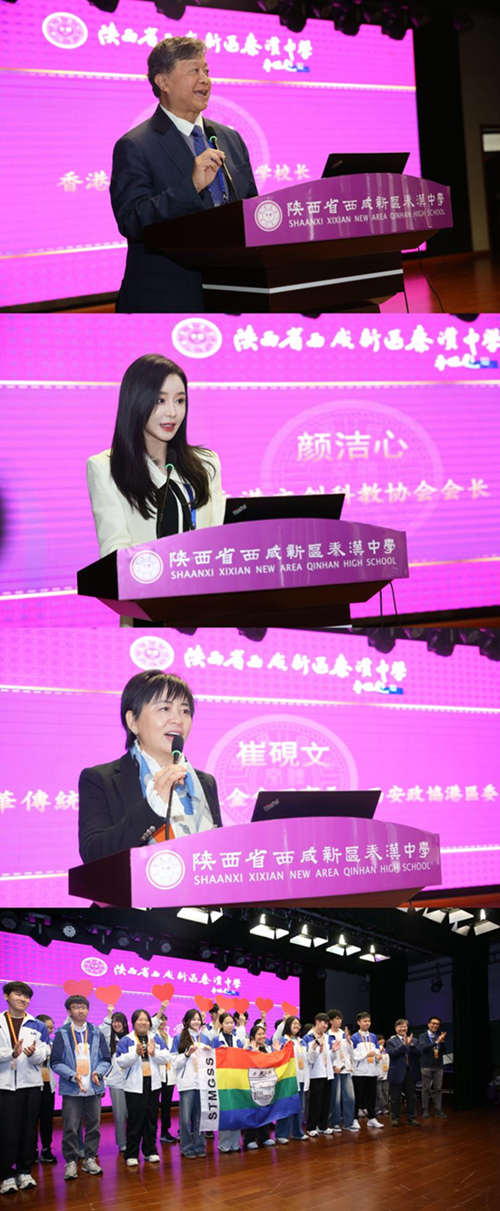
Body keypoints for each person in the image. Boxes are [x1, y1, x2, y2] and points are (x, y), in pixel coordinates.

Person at [110, 36, 258, 312]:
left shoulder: (230, 138)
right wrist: (191, 186)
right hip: (169, 299)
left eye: (206, 70)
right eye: (194, 70)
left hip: (232, 292)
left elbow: (249, 207)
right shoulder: (135, 145)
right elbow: (131, 220)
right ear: (163, 82)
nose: (205, 79)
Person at [86, 353, 226, 562]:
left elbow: (220, 537)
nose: (172, 412)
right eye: (160, 400)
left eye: (179, 400)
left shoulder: (206, 463)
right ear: (136, 401)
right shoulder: (105, 468)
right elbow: (113, 551)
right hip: (144, 581)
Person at [78, 669, 223, 864]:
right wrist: (153, 806)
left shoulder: (205, 782)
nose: (178, 720)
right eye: (165, 709)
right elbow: (94, 854)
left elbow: (219, 850)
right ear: (133, 722)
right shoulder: (100, 779)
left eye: (185, 711)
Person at [51, 995, 111, 1182]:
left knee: (94, 1126)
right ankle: (71, 1161)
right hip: (72, 1089)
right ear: (69, 1011)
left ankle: (90, 1159)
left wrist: (98, 1072)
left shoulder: (96, 1032)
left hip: (93, 1088)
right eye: (76, 1007)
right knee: (70, 1127)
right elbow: (55, 1062)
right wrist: (72, 1075)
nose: (80, 1010)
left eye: (83, 1007)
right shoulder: (62, 1033)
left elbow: (106, 1059)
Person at [0, 981, 50, 1196]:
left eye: (26, 996)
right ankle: (5, 1175)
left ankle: (24, 1171)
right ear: (6, 996)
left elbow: (44, 1052)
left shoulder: (37, 1025)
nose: (23, 999)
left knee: (29, 1130)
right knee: (6, 1131)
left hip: (31, 1084)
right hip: (5, 1086)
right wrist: (11, 1054)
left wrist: (33, 1054)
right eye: (18, 994)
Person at [115, 1009, 167, 1166]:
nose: (143, 1022)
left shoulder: (156, 1038)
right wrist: (135, 1054)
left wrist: (154, 1053)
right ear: (133, 1023)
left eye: (146, 1020)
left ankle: (150, 1151)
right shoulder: (126, 1040)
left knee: (151, 1119)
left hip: (153, 1085)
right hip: (134, 1086)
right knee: (135, 1121)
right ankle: (131, 1154)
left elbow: (166, 1058)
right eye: (140, 1020)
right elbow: (121, 1062)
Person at [170, 1009, 212, 1158]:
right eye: (193, 1019)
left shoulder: (205, 1038)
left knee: (200, 1118)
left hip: (202, 1083)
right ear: (187, 1021)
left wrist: (210, 1052)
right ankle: (187, 1147)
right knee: (185, 1118)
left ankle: (200, 1146)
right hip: (187, 1083)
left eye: (198, 1019)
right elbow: (174, 1062)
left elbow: (210, 1061)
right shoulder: (179, 1038)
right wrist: (187, 1053)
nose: (196, 1022)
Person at [211, 1012, 243, 1153]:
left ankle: (235, 1143)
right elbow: (211, 1058)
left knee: (236, 1111)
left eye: (231, 1023)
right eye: (227, 1023)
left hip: (236, 1080)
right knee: (224, 1112)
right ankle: (224, 1143)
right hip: (222, 1081)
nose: (230, 1025)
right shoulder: (216, 1040)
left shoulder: (238, 1041)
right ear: (221, 1024)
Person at [242, 1024, 278, 1150]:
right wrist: (254, 1052)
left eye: (263, 1034)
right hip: (253, 1085)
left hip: (267, 1085)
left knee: (266, 1110)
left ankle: (264, 1136)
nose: (262, 1036)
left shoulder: (267, 1048)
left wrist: (277, 1052)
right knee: (253, 1112)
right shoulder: (247, 1049)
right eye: (259, 1034)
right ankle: (249, 1139)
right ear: (252, 1037)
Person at [99, 1005, 129, 1152]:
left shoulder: (131, 1038)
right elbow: (102, 1030)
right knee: (119, 1114)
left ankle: (133, 1139)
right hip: (116, 1082)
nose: (116, 1024)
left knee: (132, 1113)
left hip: (132, 1081)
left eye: (119, 1021)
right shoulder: (108, 1038)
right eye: (114, 1022)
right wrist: (109, 1015)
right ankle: (122, 1142)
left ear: (125, 1023)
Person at [274, 1017, 308, 1144]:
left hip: (301, 1077)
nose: (297, 1026)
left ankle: (297, 1132)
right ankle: (281, 1134)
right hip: (288, 1078)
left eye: (298, 1024)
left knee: (299, 1107)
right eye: (294, 1024)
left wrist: (315, 1049)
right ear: (288, 1025)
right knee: (286, 1106)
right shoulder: (282, 1040)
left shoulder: (301, 1041)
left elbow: (307, 1059)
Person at [351, 1012, 384, 1129]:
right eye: (365, 1021)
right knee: (357, 1097)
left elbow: (376, 1051)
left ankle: (372, 1118)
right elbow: (353, 1055)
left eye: (369, 1021)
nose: (367, 1023)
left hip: (372, 1071)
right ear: (358, 1022)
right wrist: (366, 1055)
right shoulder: (354, 1037)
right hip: (359, 1072)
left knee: (371, 1096)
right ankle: (354, 1119)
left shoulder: (373, 1037)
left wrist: (378, 1056)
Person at [386, 1020, 422, 1127]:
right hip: (396, 1073)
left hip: (410, 1072)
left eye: (404, 1027)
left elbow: (420, 1053)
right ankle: (395, 1118)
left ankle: (411, 1118)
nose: (403, 1029)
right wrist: (404, 1045)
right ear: (396, 1028)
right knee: (395, 1098)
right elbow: (392, 1054)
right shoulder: (391, 1041)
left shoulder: (414, 1040)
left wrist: (411, 1045)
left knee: (411, 1097)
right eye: (400, 1027)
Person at [303, 1013, 334, 1136]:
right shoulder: (308, 1037)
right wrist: (315, 1049)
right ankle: (311, 1127)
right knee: (315, 1102)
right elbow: (309, 1059)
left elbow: (330, 1057)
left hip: (327, 1073)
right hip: (315, 1074)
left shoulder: (327, 1037)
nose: (326, 1026)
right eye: (324, 1023)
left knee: (326, 1101)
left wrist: (334, 1051)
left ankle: (323, 1125)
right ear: (317, 1022)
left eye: (327, 1024)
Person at [327, 1010, 358, 1134]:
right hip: (335, 1070)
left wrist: (349, 1042)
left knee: (350, 1097)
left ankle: (348, 1123)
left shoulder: (344, 1034)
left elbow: (351, 1052)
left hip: (346, 1069)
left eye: (340, 1019)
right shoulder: (327, 1035)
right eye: (336, 1019)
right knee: (336, 1098)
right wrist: (333, 1066)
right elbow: (328, 1053)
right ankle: (334, 1123)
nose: (339, 1021)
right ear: (330, 1021)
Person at [151, 1008, 178, 1144]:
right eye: (160, 1019)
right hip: (157, 1075)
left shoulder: (171, 1038)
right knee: (153, 1106)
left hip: (169, 1075)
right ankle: (152, 1133)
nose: (162, 1021)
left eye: (164, 1019)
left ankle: (165, 1132)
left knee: (167, 1106)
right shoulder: (152, 1036)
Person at [34, 1015, 57, 1165]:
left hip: (48, 1083)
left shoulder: (53, 1043)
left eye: (51, 1028)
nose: (49, 1030)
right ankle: (31, 1150)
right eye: (46, 1027)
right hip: (33, 1084)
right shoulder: (31, 1042)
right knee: (31, 1119)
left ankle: (47, 1149)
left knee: (47, 1119)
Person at [418, 1016, 448, 1119]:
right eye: (433, 1023)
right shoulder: (423, 1036)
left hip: (438, 1066)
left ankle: (438, 1110)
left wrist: (442, 1041)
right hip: (426, 1065)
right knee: (426, 1088)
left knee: (438, 1089)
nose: (435, 1025)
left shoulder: (438, 1036)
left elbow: (444, 1050)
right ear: (428, 1024)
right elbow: (423, 1048)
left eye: (437, 1024)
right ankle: (425, 1109)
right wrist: (436, 1042)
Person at [375, 1034, 390, 1116]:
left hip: (386, 1073)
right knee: (378, 1092)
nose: (382, 1041)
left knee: (385, 1091)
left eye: (383, 1039)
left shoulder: (386, 1050)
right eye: (379, 1040)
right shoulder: (375, 1050)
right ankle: (378, 1108)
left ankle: (385, 1107)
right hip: (377, 1073)